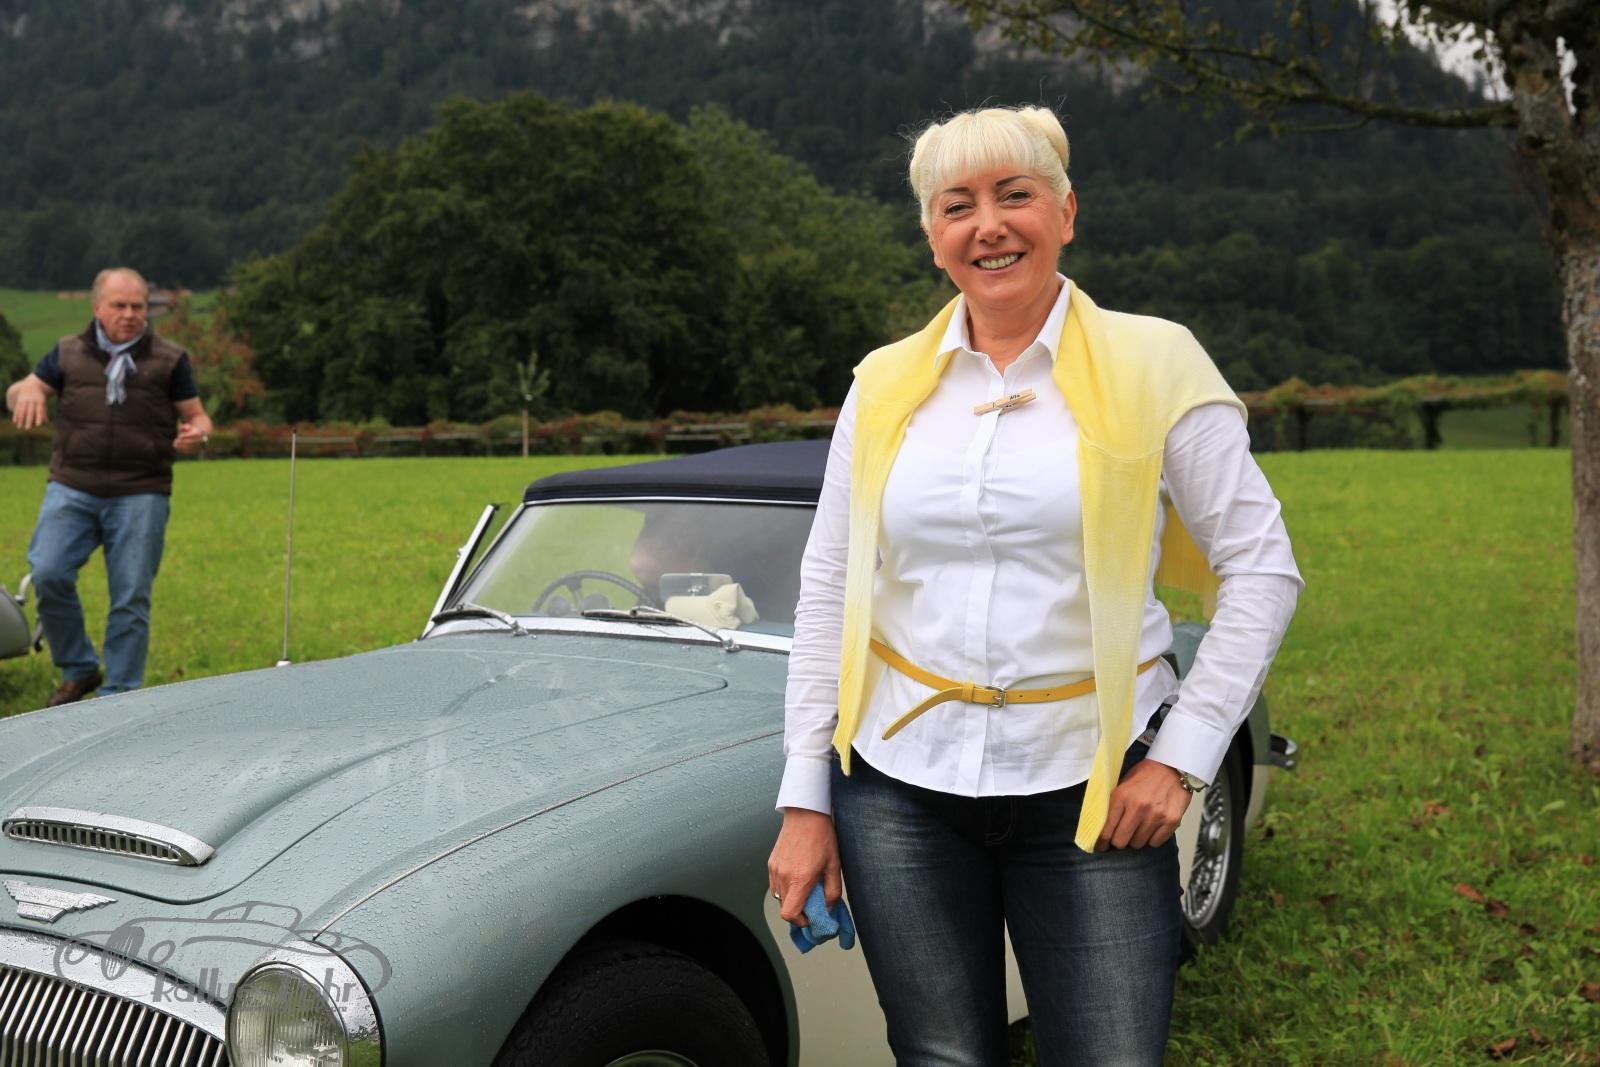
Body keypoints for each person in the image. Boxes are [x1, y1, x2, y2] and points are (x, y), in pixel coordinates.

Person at [767, 106, 1302, 1064]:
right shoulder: (882, 383)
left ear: (1066, 212)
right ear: (931, 233)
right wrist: (807, 797)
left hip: (1093, 787)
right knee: (941, 1053)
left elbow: (1262, 568)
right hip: (898, 785)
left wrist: (1181, 756)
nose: (989, 225)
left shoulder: (1157, 360)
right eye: (957, 205)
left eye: (1015, 195)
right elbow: (830, 585)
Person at [5, 267, 212, 706]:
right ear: (97, 307)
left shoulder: (170, 359)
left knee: (131, 595)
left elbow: (197, 416)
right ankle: (79, 668)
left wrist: (199, 434)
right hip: (73, 486)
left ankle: (120, 697)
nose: (130, 314)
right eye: (119, 305)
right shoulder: (67, 352)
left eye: (138, 306)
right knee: (48, 572)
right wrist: (28, 392)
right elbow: (24, 390)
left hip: (142, 490)